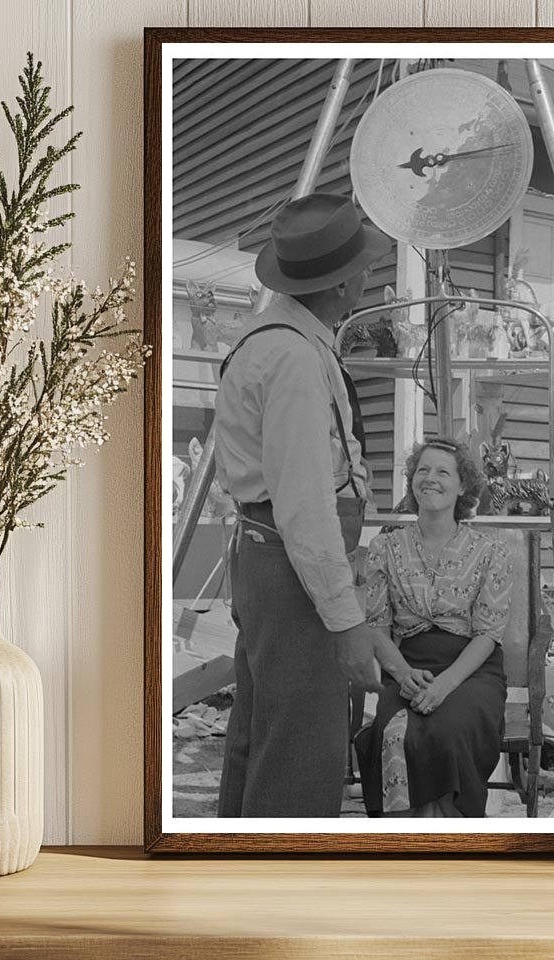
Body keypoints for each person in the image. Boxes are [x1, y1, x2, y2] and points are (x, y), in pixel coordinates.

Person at [214, 192, 390, 818]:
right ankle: (283, 876)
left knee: (263, 736)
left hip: (273, 556)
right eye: (362, 267)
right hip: (292, 569)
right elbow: (307, 507)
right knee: (301, 753)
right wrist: (346, 623)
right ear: (341, 284)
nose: (369, 276)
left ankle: (238, 866)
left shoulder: (280, 339)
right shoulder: (291, 358)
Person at [355, 438, 514, 818]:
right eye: (422, 470)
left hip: (471, 670)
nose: (430, 478)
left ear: (462, 486)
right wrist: (403, 674)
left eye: (443, 472)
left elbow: (488, 635)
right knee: (394, 733)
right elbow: (376, 627)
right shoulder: (385, 548)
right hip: (408, 667)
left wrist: (444, 685)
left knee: (449, 730)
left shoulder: (490, 551)